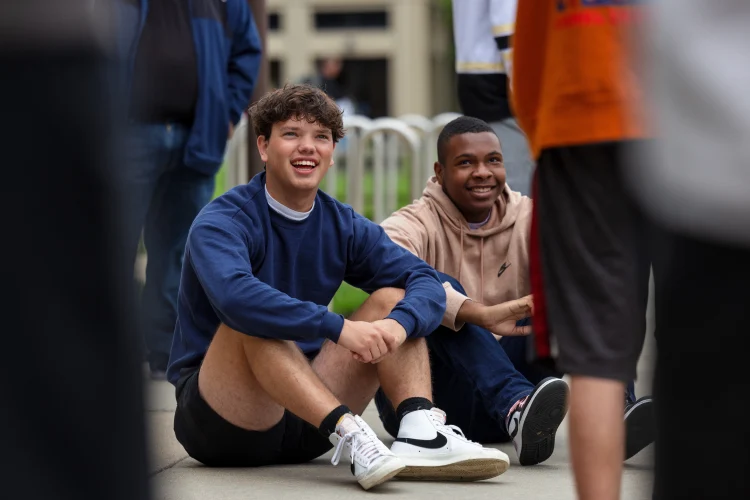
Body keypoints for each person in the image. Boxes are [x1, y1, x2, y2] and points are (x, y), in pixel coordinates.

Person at [167, 84, 510, 491]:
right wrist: (339, 327)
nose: (307, 147)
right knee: (250, 318)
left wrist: (397, 326)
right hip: (225, 421)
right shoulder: (222, 220)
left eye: (321, 137)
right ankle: (352, 433)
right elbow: (235, 298)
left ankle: (420, 429)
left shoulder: (341, 224)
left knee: (392, 298)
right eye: (291, 134)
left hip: (309, 420)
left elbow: (426, 281)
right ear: (263, 146)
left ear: (332, 153)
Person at [375, 115, 653, 466]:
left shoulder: (531, 216)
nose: (483, 172)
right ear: (440, 171)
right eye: (465, 163)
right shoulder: (413, 222)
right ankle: (515, 404)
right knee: (430, 288)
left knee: (584, 287)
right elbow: (384, 270)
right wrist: (477, 313)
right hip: (431, 402)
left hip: (516, 397)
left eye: (493, 160)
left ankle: (615, 409)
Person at [512, 1, 653, 499]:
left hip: (580, 122)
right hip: (696, 124)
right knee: (715, 331)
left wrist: (547, 133)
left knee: (596, 355)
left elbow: (528, 58)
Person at [114, 0, 262, 378]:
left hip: (198, 137)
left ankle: (165, 354)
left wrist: (227, 113)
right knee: (112, 244)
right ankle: (111, 354)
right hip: (127, 134)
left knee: (180, 252)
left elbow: (246, 50)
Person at [450, 0, 534, 196]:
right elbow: (508, 20)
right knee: (515, 195)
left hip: (478, 73)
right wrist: (526, 90)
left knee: (497, 190)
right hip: (502, 80)